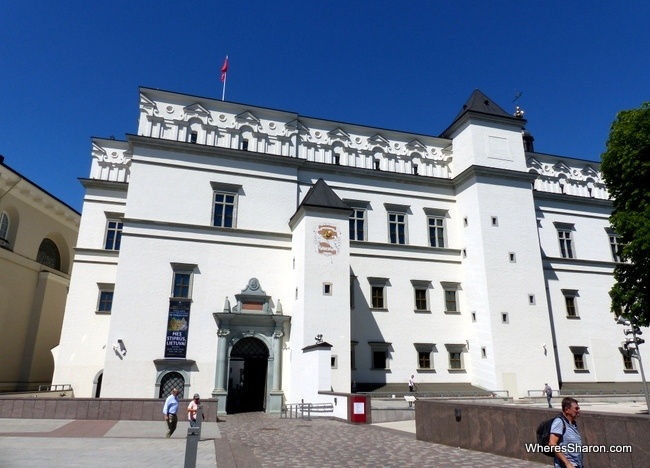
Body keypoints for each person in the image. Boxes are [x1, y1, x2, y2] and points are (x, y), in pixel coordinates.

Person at [549, 397, 583, 468]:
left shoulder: (573, 423)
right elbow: (552, 443)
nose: (579, 411)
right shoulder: (559, 422)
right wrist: (567, 463)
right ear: (567, 410)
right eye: (576, 409)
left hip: (576, 464)